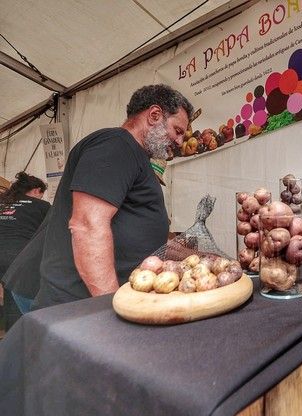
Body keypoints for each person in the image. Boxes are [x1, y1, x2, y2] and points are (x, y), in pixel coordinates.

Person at [8, 84, 192, 310]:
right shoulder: (116, 144)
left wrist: (194, 255)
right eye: (178, 130)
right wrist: (109, 308)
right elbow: (87, 225)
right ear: (154, 115)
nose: (179, 142)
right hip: (79, 309)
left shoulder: (134, 156)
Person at [0, 172, 50, 329]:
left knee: (10, 306)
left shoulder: (2, 203)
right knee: (25, 306)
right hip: (24, 259)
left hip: (2, 257)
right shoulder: (42, 206)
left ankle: (12, 343)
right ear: (36, 190)